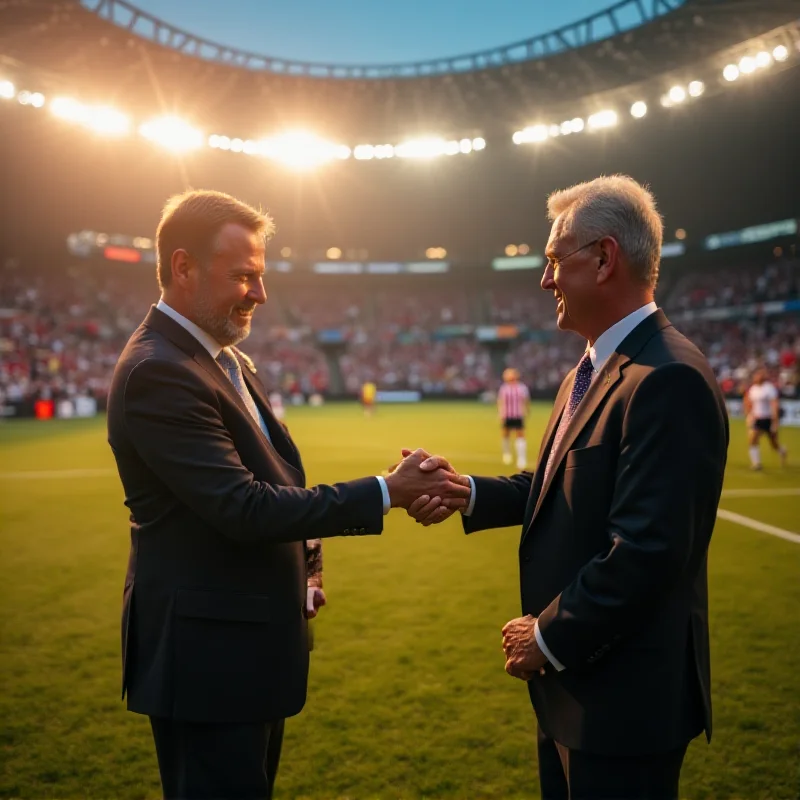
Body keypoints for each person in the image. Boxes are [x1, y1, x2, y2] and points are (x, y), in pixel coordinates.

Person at [106, 189, 470, 800]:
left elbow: (273, 483)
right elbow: (241, 507)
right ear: (182, 267)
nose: (260, 293)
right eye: (243, 276)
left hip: (240, 643)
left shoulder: (226, 361)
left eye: (261, 275)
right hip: (205, 661)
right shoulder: (159, 370)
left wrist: (305, 558)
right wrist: (387, 491)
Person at [406, 176, 729, 800]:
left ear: (605, 258)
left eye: (555, 260)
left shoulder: (667, 378)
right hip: (577, 689)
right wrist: (466, 491)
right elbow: (562, 481)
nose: (545, 280)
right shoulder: (595, 365)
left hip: (623, 701)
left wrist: (547, 635)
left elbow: (648, 550)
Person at [744, 368, 788, 469]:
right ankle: (757, 463)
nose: (756, 377)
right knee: (753, 439)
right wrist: (750, 415)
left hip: (768, 419)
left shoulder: (769, 388)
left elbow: (774, 404)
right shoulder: (753, 389)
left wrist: (775, 421)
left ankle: (782, 451)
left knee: (773, 444)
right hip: (757, 419)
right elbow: (749, 402)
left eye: (759, 375)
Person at [497, 367, 530, 468]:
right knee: (506, 434)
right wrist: (500, 413)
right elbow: (500, 401)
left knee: (520, 435)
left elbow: (526, 400)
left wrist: (526, 410)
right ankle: (507, 454)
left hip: (518, 415)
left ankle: (522, 458)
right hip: (507, 415)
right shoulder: (504, 388)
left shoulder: (521, 387)